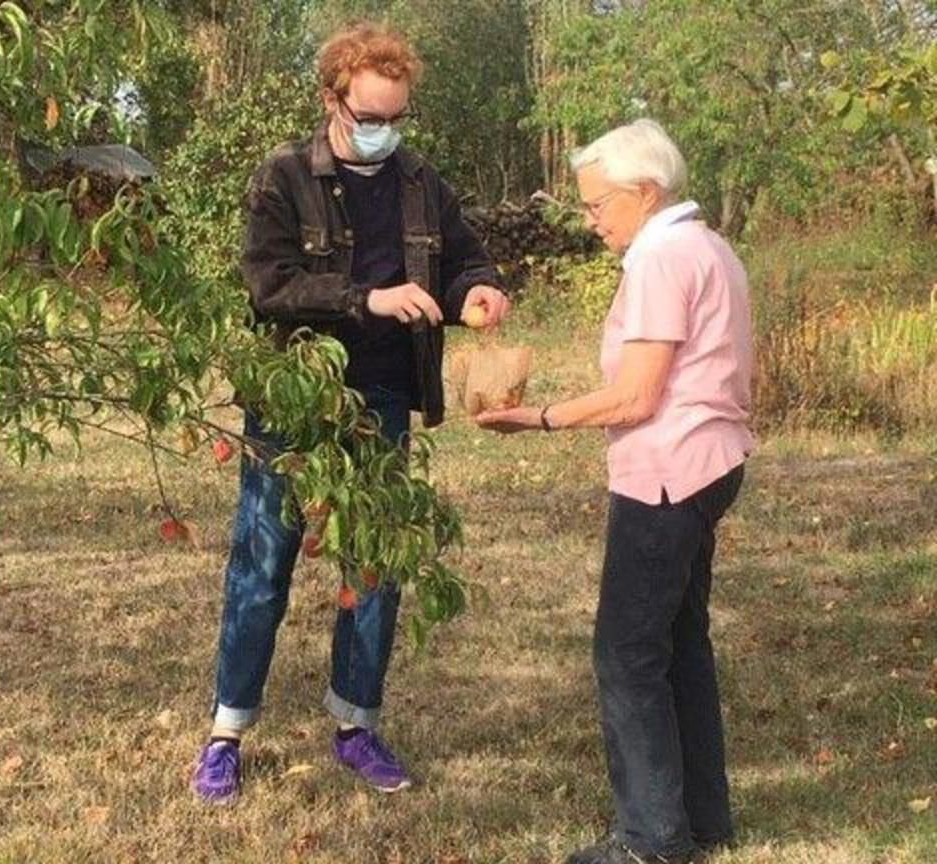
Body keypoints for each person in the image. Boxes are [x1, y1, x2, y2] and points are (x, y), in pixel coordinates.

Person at [191, 21, 510, 804]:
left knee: (376, 566)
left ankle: (356, 723)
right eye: (370, 117)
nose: (383, 133)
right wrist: (365, 297)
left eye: (396, 118)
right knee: (263, 562)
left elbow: (467, 252)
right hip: (296, 396)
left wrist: (480, 285)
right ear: (333, 99)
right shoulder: (283, 177)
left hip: (384, 398)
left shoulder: (420, 180)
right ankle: (227, 732)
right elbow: (270, 285)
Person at [475, 119, 753, 864]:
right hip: (711, 463)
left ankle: (651, 840)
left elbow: (634, 397)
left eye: (599, 204)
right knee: (678, 642)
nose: (591, 219)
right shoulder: (710, 246)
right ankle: (702, 817)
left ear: (645, 192)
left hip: (668, 472)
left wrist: (537, 416)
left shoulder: (661, 259)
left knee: (627, 655)